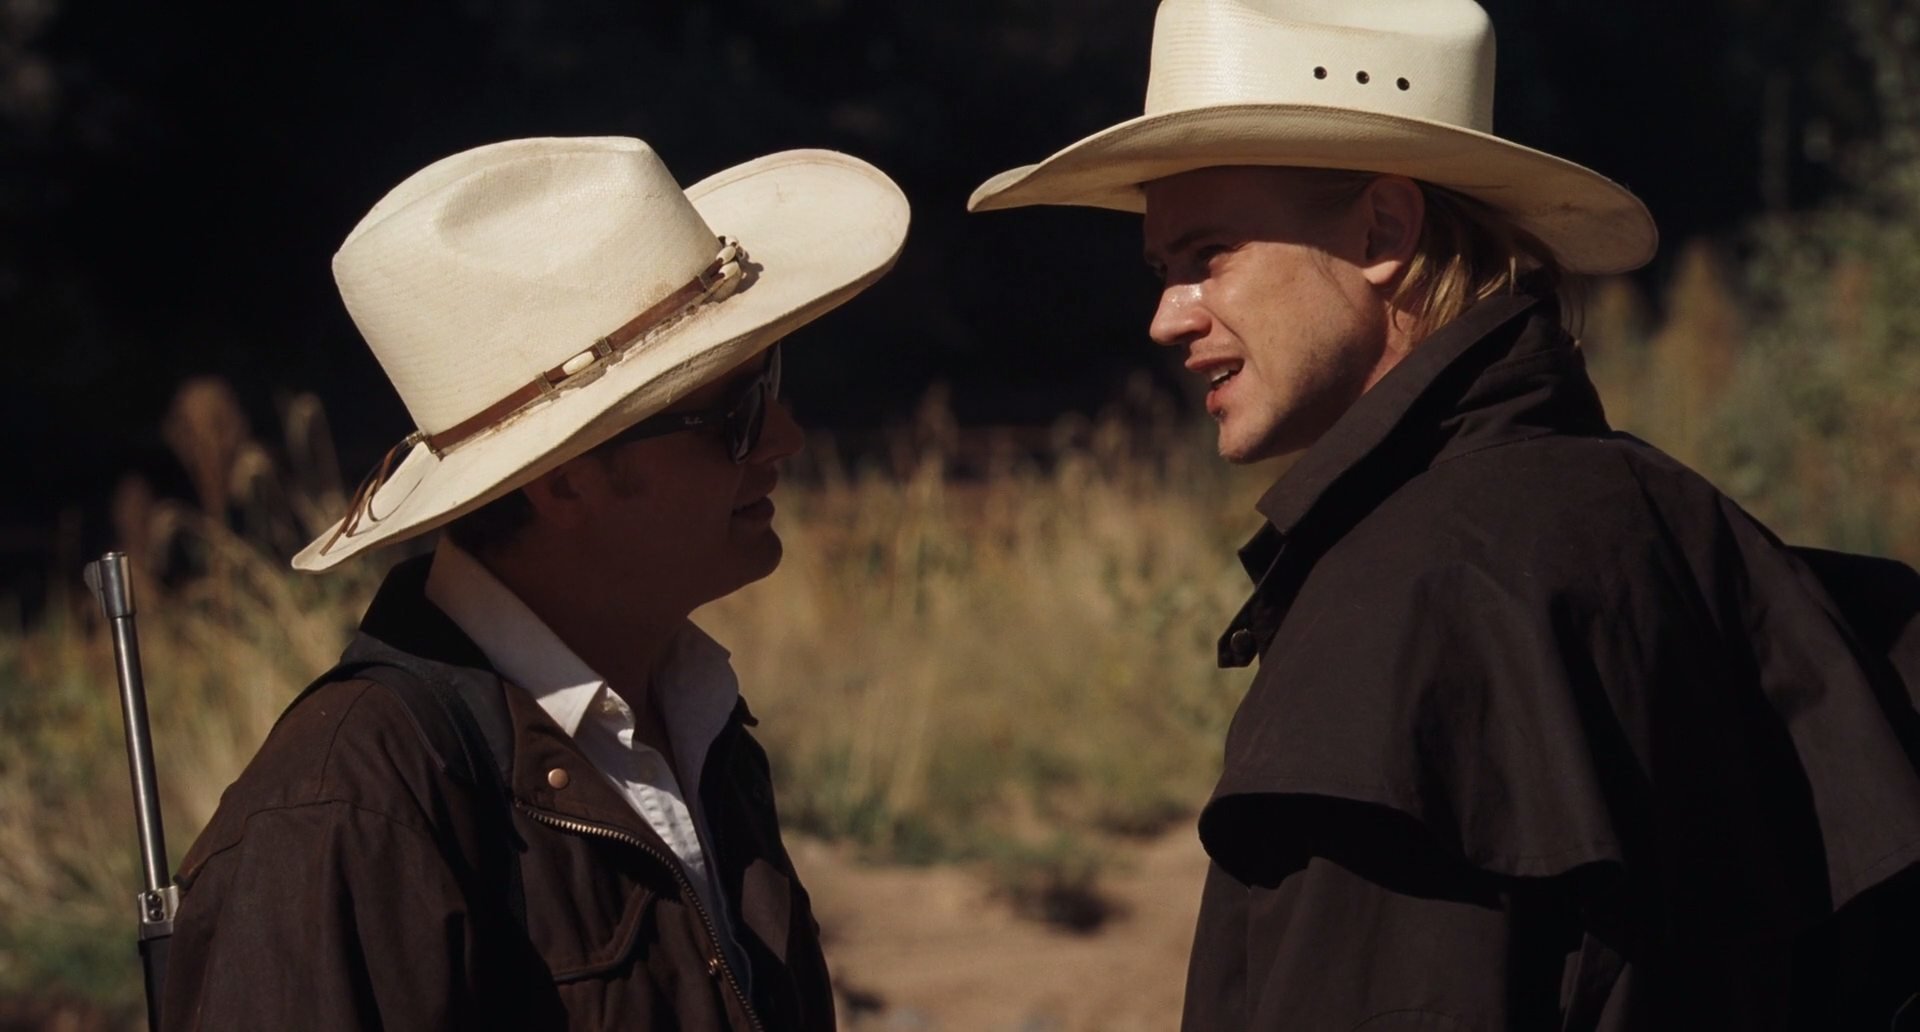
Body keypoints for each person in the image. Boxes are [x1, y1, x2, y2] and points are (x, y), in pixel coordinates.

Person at [970, 0, 1920, 1027]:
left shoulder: (1405, 609)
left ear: (1384, 230)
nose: (1167, 316)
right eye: (1164, 271)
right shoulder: (1677, 519)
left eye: (1210, 254)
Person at [160, 136, 908, 1030]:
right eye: (734, 414)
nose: (785, 438)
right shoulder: (345, 814)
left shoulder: (694, 722)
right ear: (564, 481)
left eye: (770, 378)